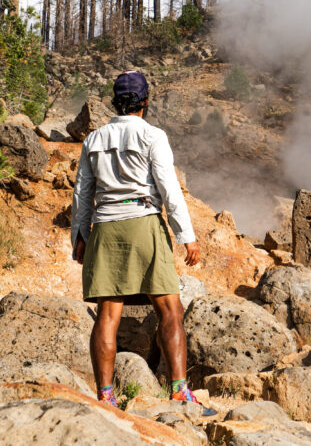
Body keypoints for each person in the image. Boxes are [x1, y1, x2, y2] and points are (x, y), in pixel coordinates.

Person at [71, 70, 214, 415]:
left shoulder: (94, 139)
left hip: (105, 228)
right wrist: (187, 236)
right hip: (144, 222)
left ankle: (105, 397)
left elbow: (82, 193)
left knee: (107, 315)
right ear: (145, 101)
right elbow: (169, 188)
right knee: (170, 309)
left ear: (115, 102)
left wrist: (80, 236)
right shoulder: (153, 135)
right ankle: (180, 392)